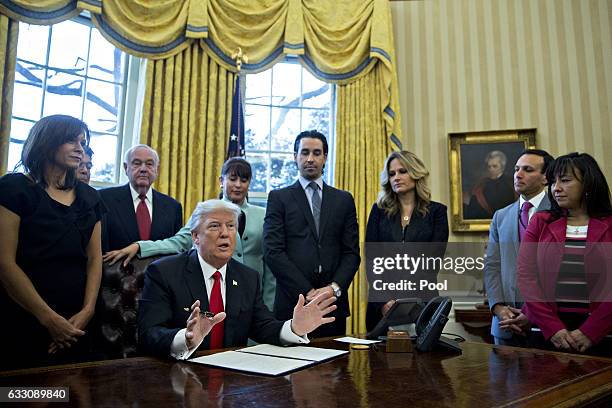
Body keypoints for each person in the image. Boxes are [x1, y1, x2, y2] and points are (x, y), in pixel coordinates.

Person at [137, 199, 337, 358]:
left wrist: (294, 327)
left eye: (231, 226)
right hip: (177, 374)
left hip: (230, 381)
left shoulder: (248, 277)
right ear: (195, 237)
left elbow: (263, 327)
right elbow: (149, 334)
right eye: (215, 226)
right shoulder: (164, 272)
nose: (225, 234)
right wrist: (185, 338)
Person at [103, 157, 276, 310]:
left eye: (243, 180)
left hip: (253, 295)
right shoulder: (206, 210)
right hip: (214, 290)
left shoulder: (263, 215)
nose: (238, 185)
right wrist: (140, 246)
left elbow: (270, 265)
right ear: (221, 181)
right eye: (232, 179)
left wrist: (268, 305)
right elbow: (179, 242)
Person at [0, 115, 104, 369]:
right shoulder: (14, 188)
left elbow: (94, 259)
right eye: (72, 141)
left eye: (83, 141)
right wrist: (49, 319)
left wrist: (87, 311)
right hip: (23, 317)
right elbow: (4, 262)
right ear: (47, 143)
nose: (81, 149)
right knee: (21, 397)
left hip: (77, 321)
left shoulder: (90, 197)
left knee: (71, 397)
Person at [264, 130, 360, 336]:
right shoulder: (279, 198)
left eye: (317, 153)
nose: (310, 159)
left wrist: (332, 289)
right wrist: (307, 292)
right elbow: (273, 252)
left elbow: (351, 253)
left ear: (325, 157)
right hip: (292, 303)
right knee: (290, 366)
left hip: (332, 305)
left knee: (335, 367)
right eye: (304, 152)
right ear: (295, 156)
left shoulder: (343, 200)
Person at [518, 152, 612, 356]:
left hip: (602, 334)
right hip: (547, 332)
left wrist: (591, 331)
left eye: (565, 181)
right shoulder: (541, 221)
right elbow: (526, 277)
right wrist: (553, 329)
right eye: (552, 182)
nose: (556, 188)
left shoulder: (609, 224)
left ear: (588, 184)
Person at [365, 150, 449, 332]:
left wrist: (405, 304)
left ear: (415, 173)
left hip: (422, 303)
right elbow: (372, 260)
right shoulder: (378, 211)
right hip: (381, 305)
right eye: (392, 173)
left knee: (425, 359)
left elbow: (432, 262)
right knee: (378, 358)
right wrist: (385, 300)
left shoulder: (437, 212)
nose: (396, 177)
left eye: (402, 171)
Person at [484, 149, 554, 346]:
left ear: (545, 178)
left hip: (548, 328)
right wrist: (498, 308)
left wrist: (533, 313)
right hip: (505, 325)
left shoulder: (560, 213)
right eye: (516, 169)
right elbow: (492, 266)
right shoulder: (501, 216)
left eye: (527, 169)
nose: (518, 174)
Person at [100, 144, 183, 253]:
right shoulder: (104, 199)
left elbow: (177, 249)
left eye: (149, 164)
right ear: (126, 168)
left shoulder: (173, 207)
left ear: (156, 170)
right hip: (116, 269)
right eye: (137, 163)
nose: (143, 169)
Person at [464, 150, 516, 219]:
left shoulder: (511, 183)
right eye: (489, 166)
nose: (491, 169)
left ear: (502, 167)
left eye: (494, 166)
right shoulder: (481, 185)